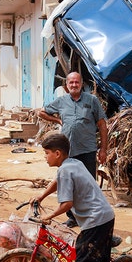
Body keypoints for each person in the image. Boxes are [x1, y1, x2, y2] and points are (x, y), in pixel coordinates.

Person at [31, 133, 127, 262]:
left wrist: (48, 216)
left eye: (47, 153)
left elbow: (67, 204)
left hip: (95, 220)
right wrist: (41, 196)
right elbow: (57, 181)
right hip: (104, 216)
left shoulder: (66, 171)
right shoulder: (72, 164)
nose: (45, 157)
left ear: (57, 154)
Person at [38, 71, 108, 228]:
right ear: (66, 86)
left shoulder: (92, 100)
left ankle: (92, 217)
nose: (74, 85)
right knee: (67, 185)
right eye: (71, 83)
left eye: (77, 82)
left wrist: (103, 149)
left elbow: (102, 125)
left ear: (81, 84)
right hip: (67, 152)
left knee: (87, 185)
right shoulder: (61, 101)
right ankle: (73, 217)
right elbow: (41, 112)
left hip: (87, 150)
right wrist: (57, 119)